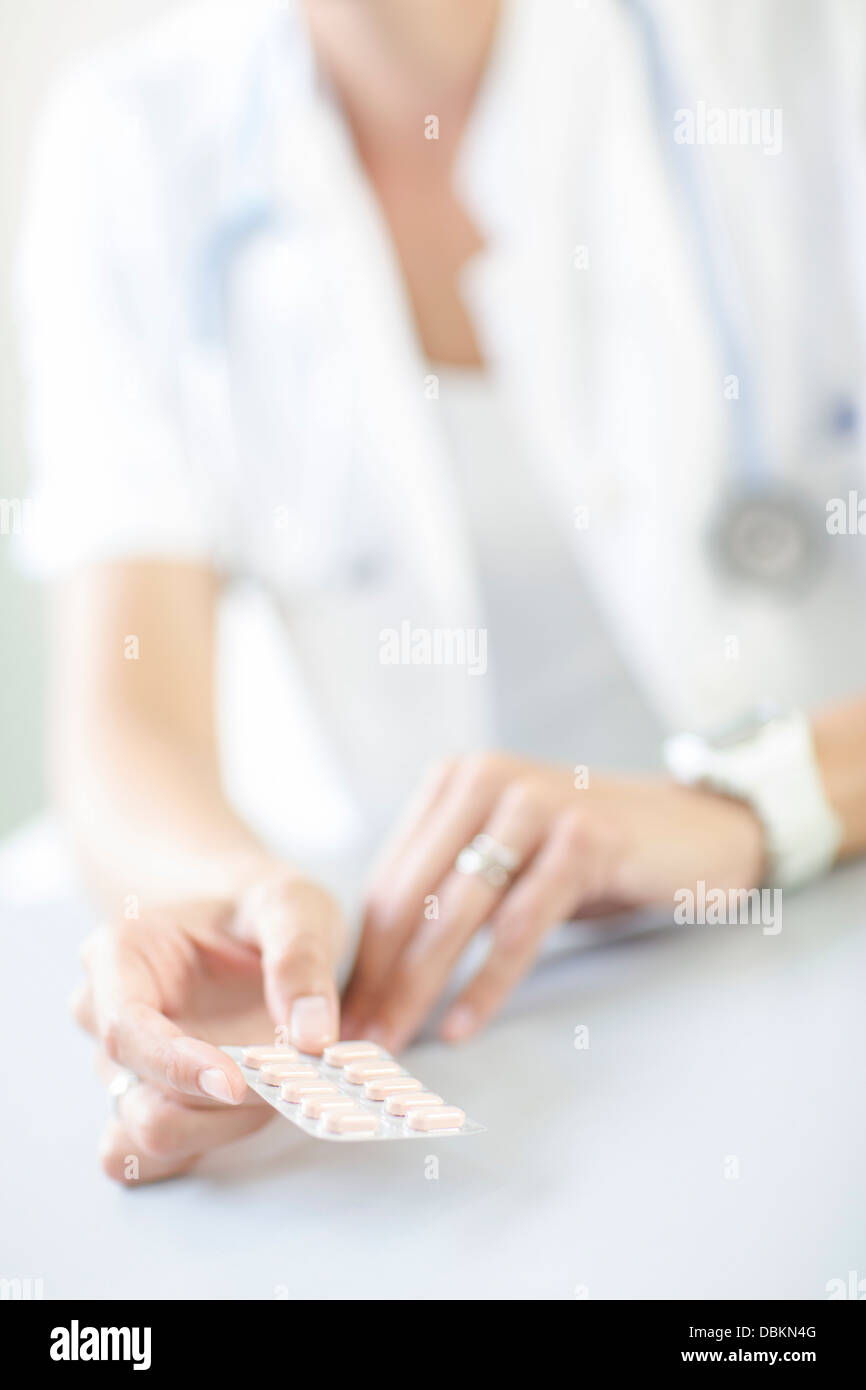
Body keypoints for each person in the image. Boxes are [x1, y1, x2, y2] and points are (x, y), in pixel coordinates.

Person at [16, 0, 866, 1183]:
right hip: (456, 1025)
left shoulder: (809, 47)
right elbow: (127, 720)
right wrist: (233, 908)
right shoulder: (132, 139)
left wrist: (747, 803)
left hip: (828, 914)